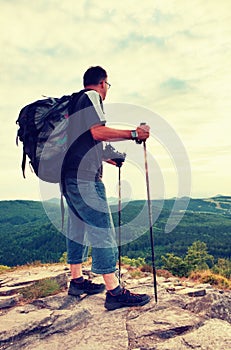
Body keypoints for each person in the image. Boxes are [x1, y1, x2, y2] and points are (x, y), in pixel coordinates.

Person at [62, 66, 151, 310]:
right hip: (85, 179)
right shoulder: (91, 97)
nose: (106, 90)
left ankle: (77, 281)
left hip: (69, 176)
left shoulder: (74, 104)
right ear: (102, 84)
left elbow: (84, 142)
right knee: (103, 229)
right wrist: (135, 133)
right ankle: (114, 292)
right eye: (107, 85)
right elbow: (97, 132)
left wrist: (109, 159)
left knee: (77, 227)